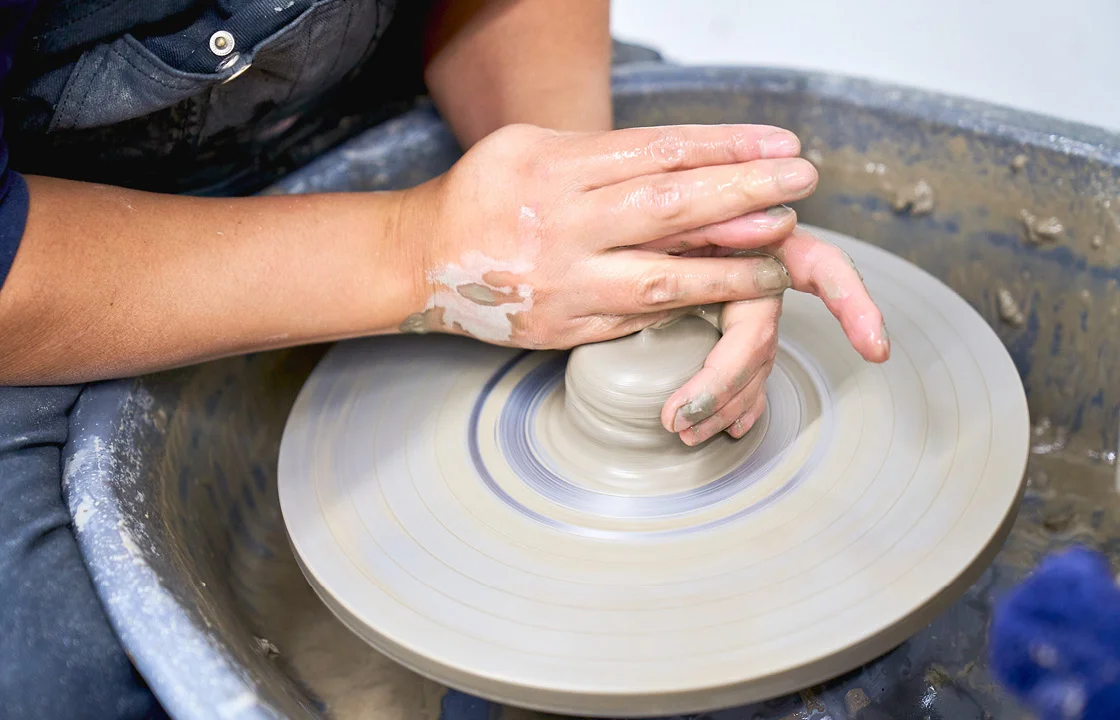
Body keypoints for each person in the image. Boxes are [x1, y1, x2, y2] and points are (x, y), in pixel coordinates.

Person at [0, 0, 890, 716]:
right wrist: (419, 252)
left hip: (380, 88)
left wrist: (578, 227)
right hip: (64, 242)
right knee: (69, 679)